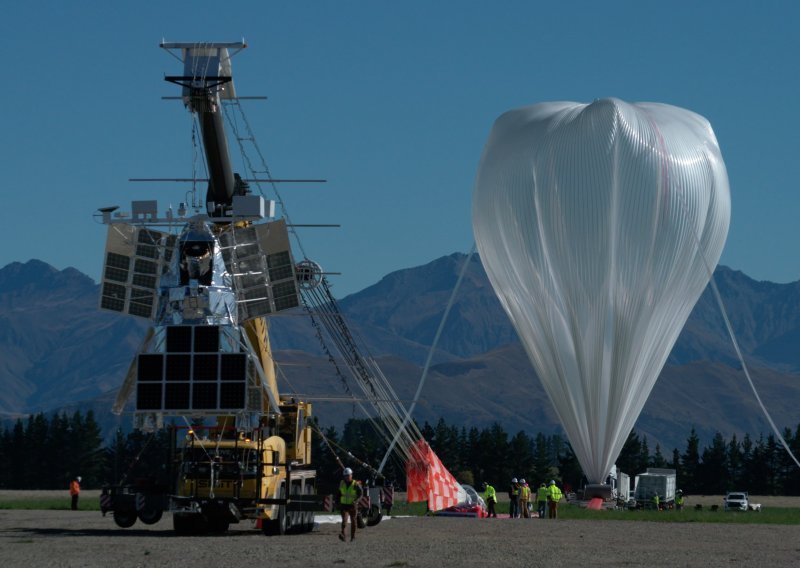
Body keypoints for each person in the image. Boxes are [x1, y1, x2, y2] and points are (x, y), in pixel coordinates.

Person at [338, 467, 362, 542]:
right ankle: (343, 535)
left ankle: (353, 537)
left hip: (353, 506)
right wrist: (337, 502)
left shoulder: (356, 484)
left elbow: (360, 494)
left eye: (348, 475)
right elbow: (339, 493)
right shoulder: (342, 483)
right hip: (344, 505)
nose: (347, 477)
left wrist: (356, 501)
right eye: (346, 476)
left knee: (353, 521)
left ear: (351, 475)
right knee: (344, 521)